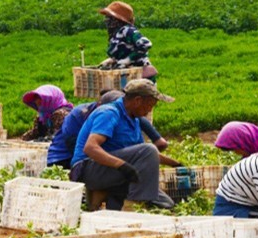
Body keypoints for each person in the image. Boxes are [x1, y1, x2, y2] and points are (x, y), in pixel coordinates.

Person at [70, 79, 180, 210]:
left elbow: (142, 154)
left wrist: (175, 164)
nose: (150, 110)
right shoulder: (109, 113)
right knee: (147, 153)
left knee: (167, 204)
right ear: (138, 100)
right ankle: (132, 205)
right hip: (87, 169)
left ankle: (113, 202)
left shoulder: (133, 119)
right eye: (150, 105)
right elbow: (90, 148)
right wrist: (122, 166)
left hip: (110, 169)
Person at [49, 90, 167, 169]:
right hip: (64, 158)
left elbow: (144, 147)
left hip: (98, 157)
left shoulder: (130, 116)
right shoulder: (86, 114)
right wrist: (118, 164)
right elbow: (79, 146)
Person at [98, 1, 158, 80]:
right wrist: (111, 60)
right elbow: (124, 51)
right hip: (126, 74)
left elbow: (145, 44)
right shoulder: (116, 34)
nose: (106, 20)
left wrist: (128, 60)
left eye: (109, 18)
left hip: (140, 75)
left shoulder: (128, 30)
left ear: (117, 19)